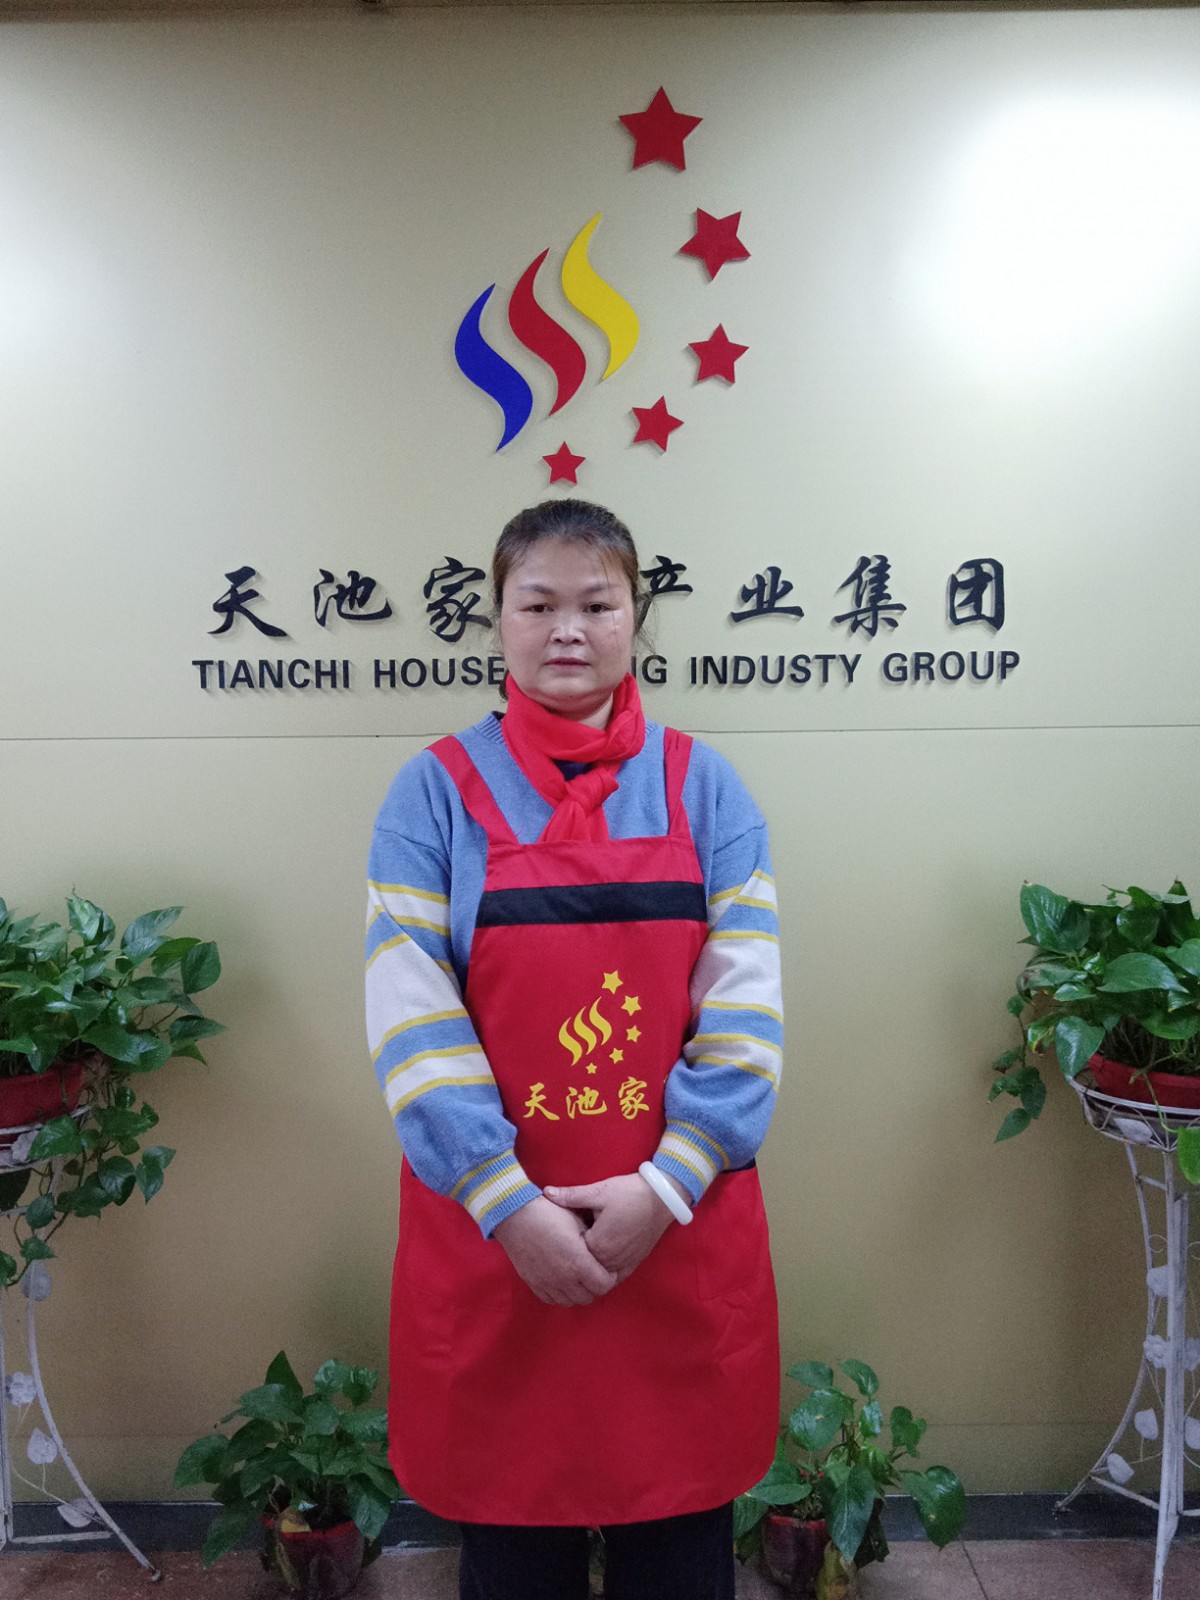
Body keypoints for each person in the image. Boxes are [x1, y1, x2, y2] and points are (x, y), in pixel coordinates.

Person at [365, 499, 782, 1600]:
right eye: (536, 603)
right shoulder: (432, 793)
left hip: (675, 1237)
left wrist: (669, 1182)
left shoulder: (706, 788)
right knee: (514, 1559)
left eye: (596, 604)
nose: (566, 629)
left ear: (636, 616)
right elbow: (411, 1014)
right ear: (496, 618)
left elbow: (746, 1009)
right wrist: (508, 1203)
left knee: (681, 1558)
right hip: (499, 1245)